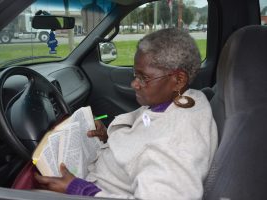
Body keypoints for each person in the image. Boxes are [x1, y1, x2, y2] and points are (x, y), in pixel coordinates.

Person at [34, 28, 218, 199]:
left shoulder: (175, 144)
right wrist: (110, 137)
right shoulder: (185, 99)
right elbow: (148, 128)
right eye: (134, 74)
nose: (134, 84)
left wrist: (79, 189)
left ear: (178, 80)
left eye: (143, 77)